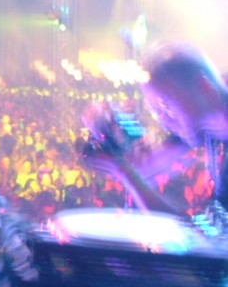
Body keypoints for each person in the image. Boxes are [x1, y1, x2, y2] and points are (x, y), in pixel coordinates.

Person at [81, 41, 228, 217]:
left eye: (166, 106)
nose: (164, 121)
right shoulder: (204, 117)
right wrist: (113, 129)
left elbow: (203, 234)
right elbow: (145, 167)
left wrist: (125, 173)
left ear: (204, 88)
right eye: (156, 111)